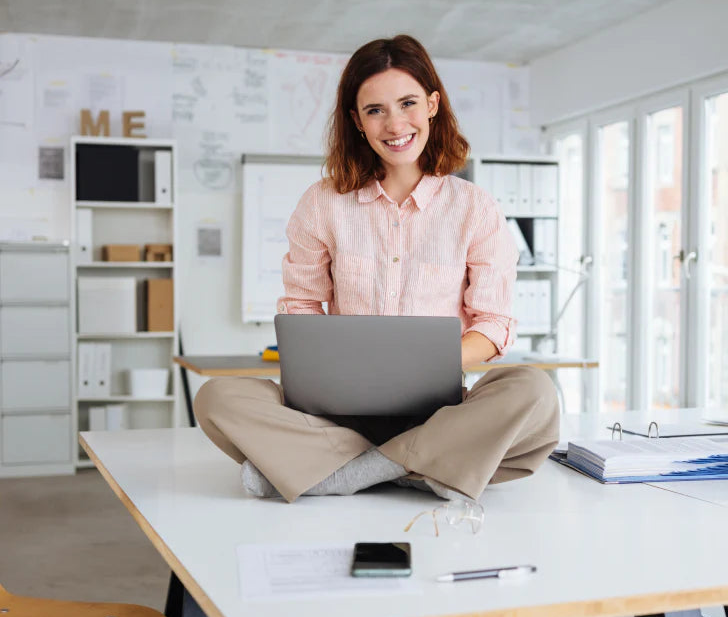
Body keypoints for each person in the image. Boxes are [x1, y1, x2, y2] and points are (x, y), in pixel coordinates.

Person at [194, 35, 559, 502]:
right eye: (375, 110)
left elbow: (493, 325)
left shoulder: (475, 208)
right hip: (336, 415)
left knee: (535, 393)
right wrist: (327, 373)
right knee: (216, 400)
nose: (395, 124)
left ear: (432, 105)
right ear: (357, 121)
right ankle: (421, 467)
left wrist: (423, 368)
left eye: (407, 103)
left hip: (439, 412)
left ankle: (352, 471)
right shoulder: (322, 202)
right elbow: (301, 306)